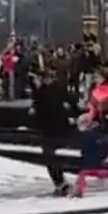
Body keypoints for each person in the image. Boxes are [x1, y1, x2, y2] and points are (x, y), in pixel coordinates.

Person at [32, 68, 74, 196]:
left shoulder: (43, 92)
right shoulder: (53, 91)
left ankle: (59, 182)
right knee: (52, 157)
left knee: (50, 157)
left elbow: (36, 110)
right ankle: (60, 182)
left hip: (50, 130)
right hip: (55, 129)